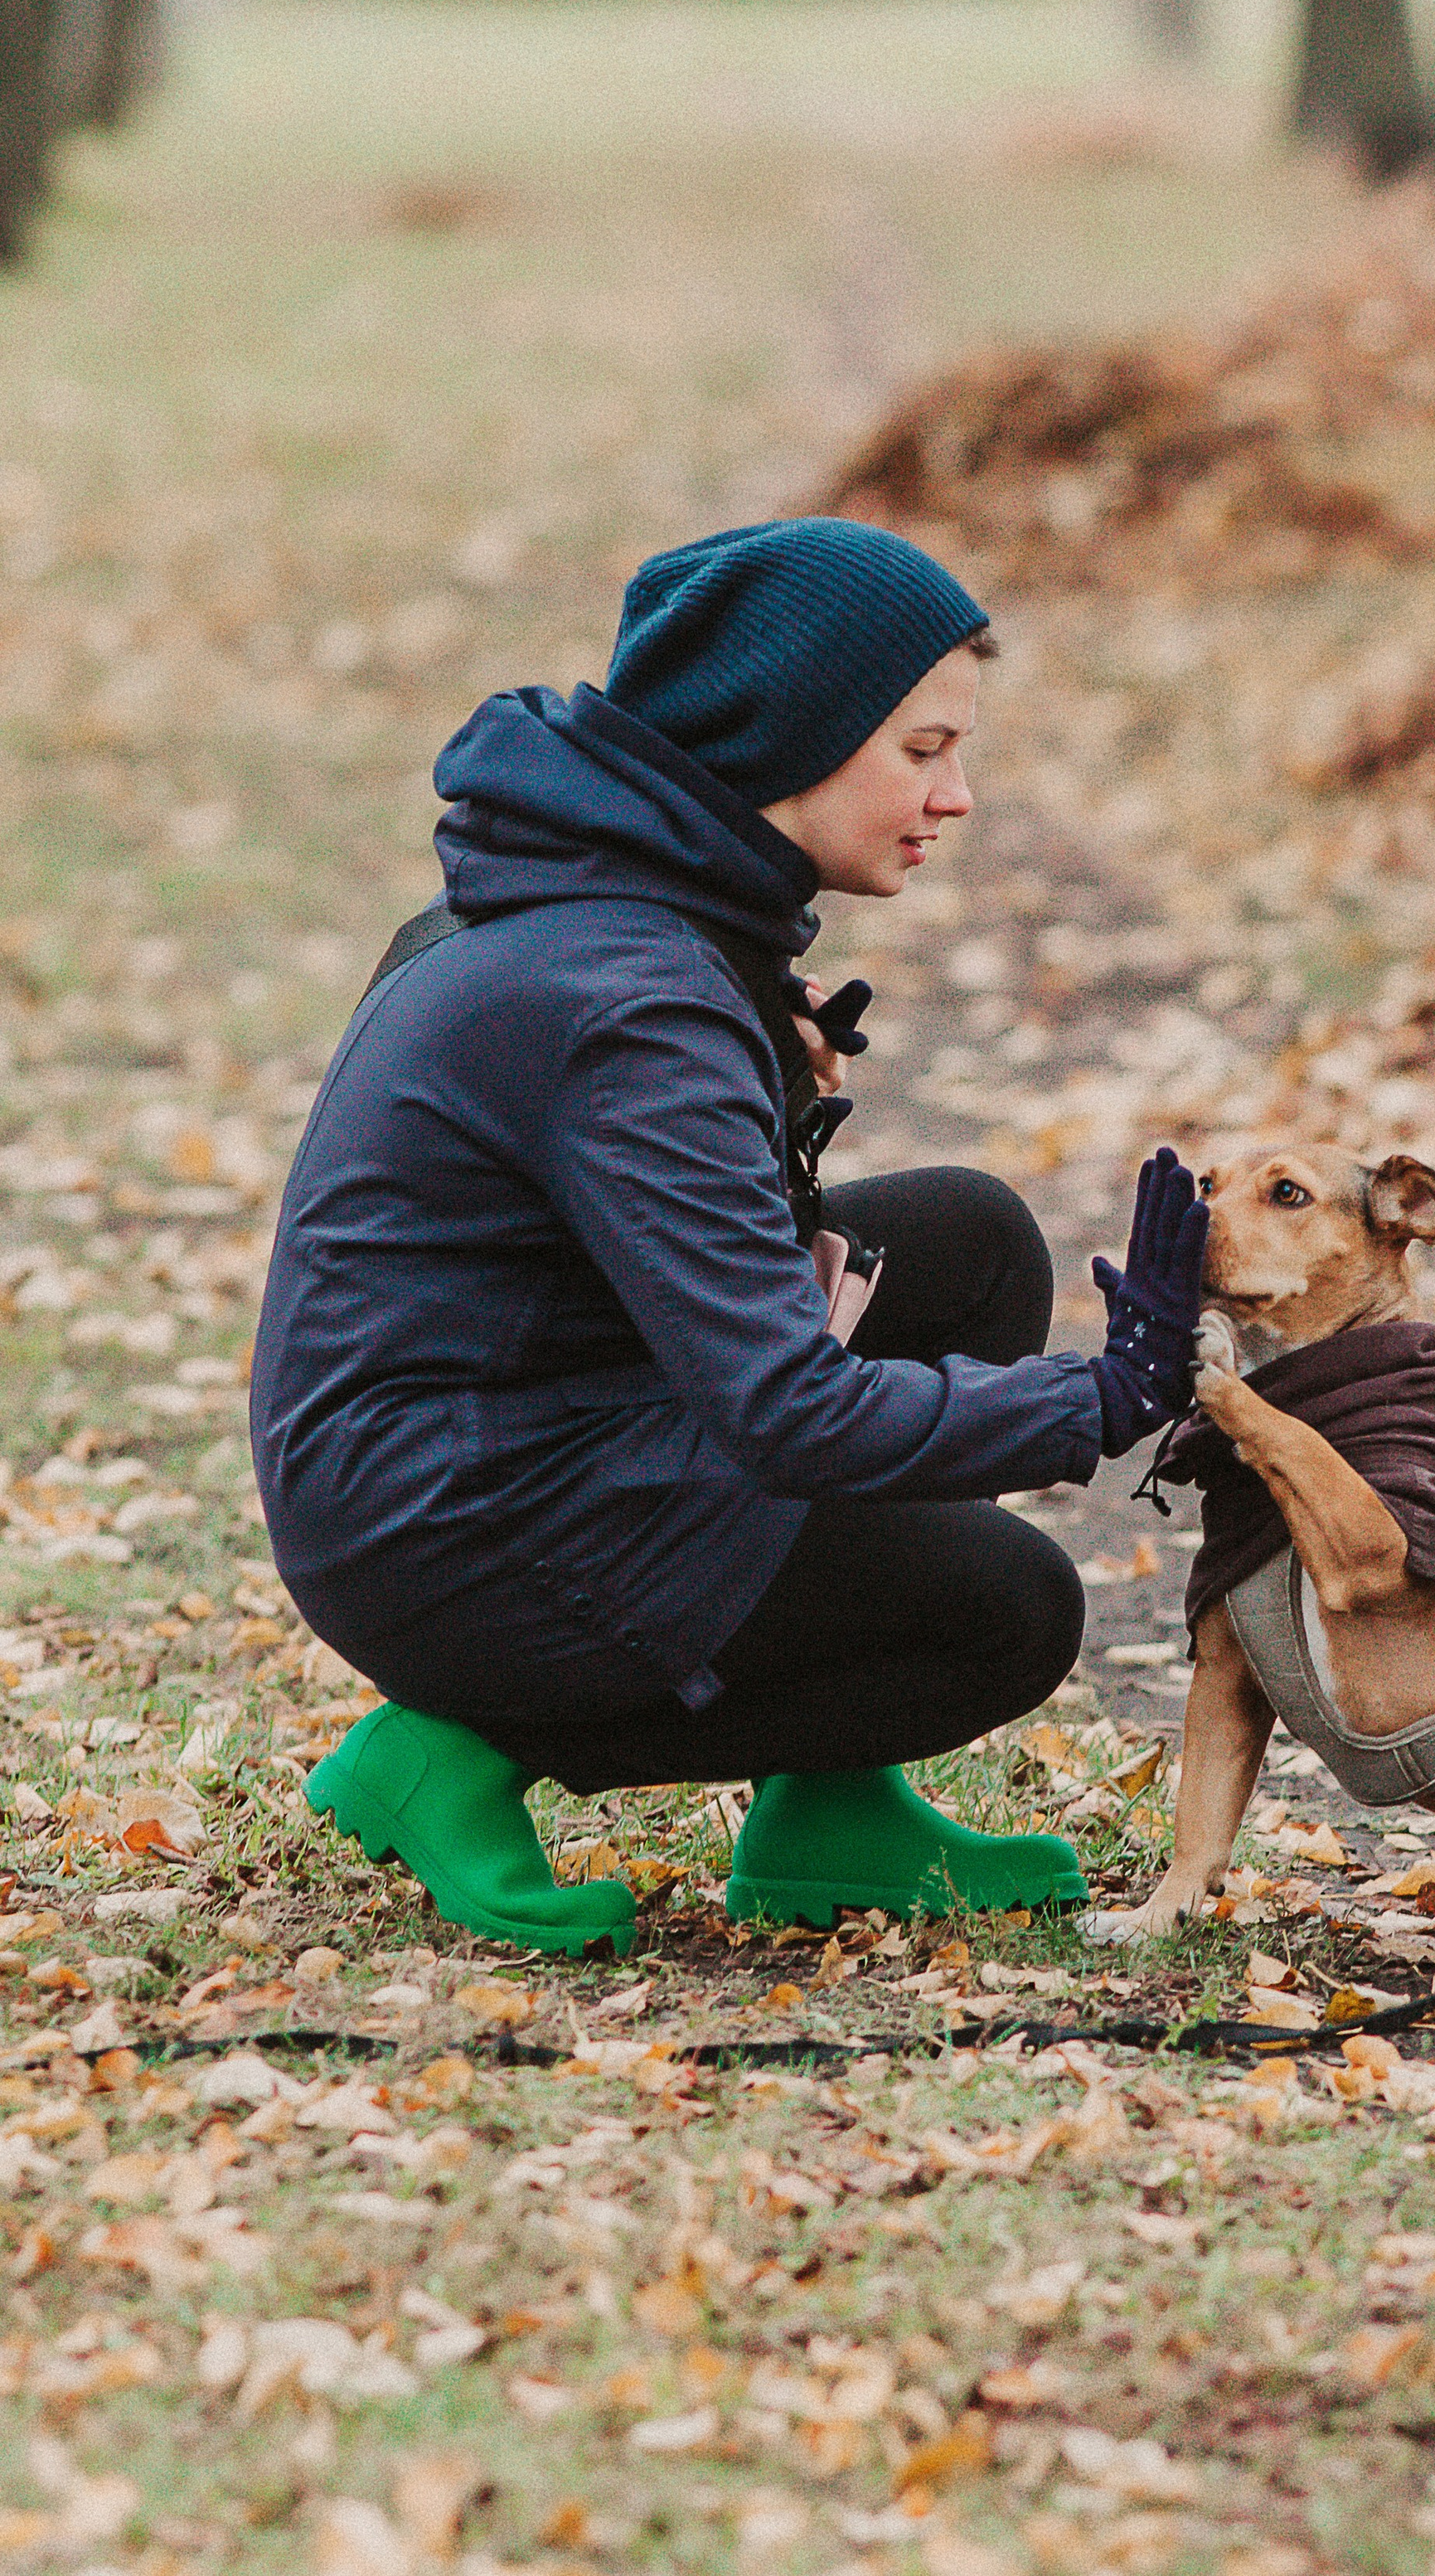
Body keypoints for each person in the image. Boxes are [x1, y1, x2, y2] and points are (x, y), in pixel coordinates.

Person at [250, 518, 1206, 1958]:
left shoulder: (606, 883)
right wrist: (1099, 1401)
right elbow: (785, 1410)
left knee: (973, 1246)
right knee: (1002, 1613)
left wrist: (764, 1060)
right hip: (444, 1521)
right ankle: (461, 1748)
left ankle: (830, 1812)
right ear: (785, 739)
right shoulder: (633, 995)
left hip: (487, 1418)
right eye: (923, 749)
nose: (959, 796)